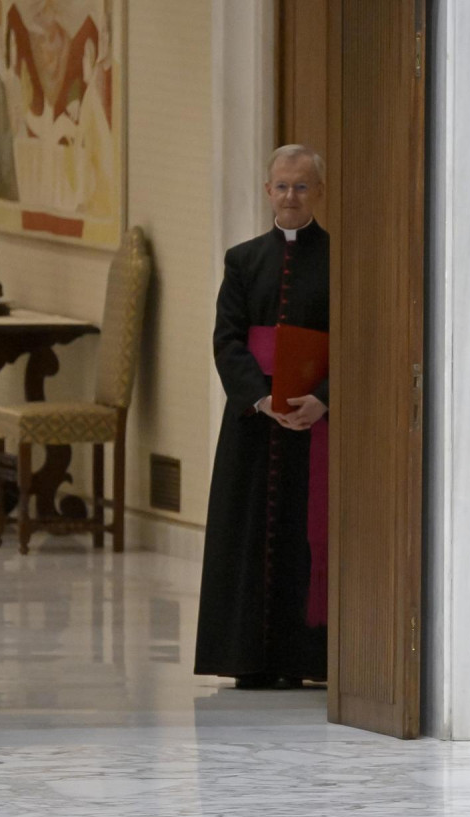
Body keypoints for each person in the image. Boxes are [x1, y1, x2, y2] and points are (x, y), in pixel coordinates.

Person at [195, 145, 331, 689]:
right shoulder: (243, 259)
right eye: (282, 186)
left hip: (315, 424)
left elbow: (355, 341)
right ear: (267, 190)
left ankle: (308, 659)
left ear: (317, 192)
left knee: (307, 538)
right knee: (248, 534)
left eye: (301, 187)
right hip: (254, 425)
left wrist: (323, 397)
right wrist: (260, 400)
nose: (291, 197)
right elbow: (227, 340)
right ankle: (247, 657)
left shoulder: (339, 258)